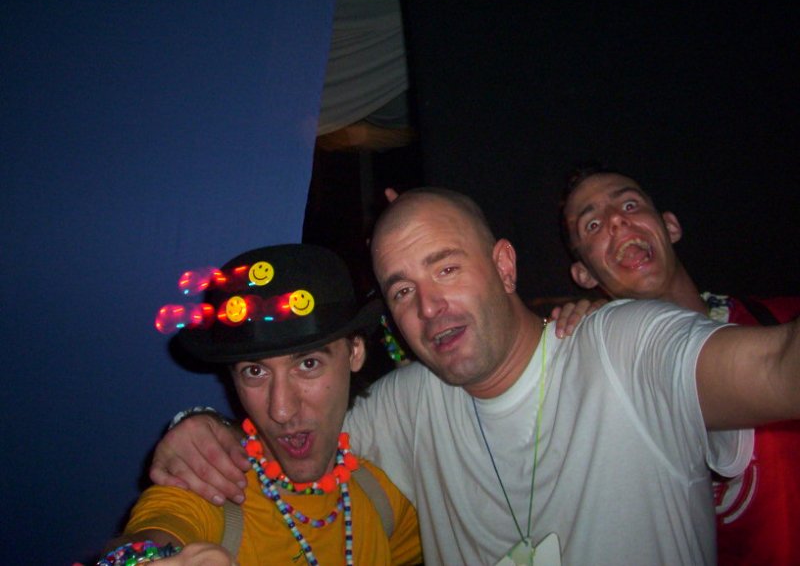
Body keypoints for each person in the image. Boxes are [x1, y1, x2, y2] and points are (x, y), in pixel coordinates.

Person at [151, 187, 800, 565]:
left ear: (505, 266)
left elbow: (777, 366)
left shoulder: (624, 345)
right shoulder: (408, 405)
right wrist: (198, 426)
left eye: (446, 268)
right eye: (403, 290)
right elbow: (294, 428)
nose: (430, 307)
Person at [93, 244, 421, 566]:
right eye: (255, 371)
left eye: (308, 364)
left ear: (354, 353)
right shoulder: (210, 484)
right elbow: (159, 527)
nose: (281, 410)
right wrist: (143, 559)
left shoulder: (384, 497)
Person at [558, 165, 800, 566]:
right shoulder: (606, 393)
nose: (617, 220)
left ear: (669, 226)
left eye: (629, 205)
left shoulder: (780, 320)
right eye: (593, 224)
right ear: (584, 274)